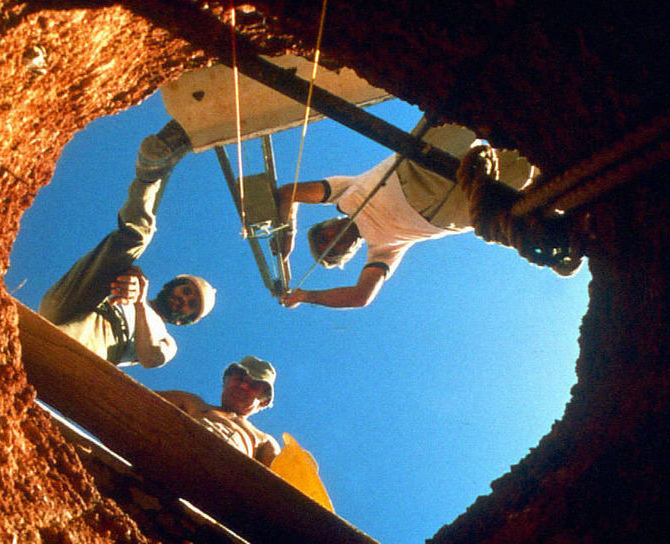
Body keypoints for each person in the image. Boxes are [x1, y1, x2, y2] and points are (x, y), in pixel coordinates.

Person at [274, 117, 537, 309]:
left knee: (459, 110)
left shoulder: (343, 195)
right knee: (530, 168)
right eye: (332, 251)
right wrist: (306, 296)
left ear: (327, 222)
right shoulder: (382, 251)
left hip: (416, 168)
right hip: (453, 211)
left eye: (323, 238)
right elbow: (360, 296)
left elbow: (288, 193)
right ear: (348, 254)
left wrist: (287, 236)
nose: (332, 241)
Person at [39, 120, 216, 368]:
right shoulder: (137, 285)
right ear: (173, 285)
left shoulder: (166, 338)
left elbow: (151, 358)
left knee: (50, 352)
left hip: (93, 336)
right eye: (186, 291)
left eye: (192, 305)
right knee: (136, 238)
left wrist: (139, 302)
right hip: (74, 301)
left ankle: (154, 169)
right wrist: (126, 280)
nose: (184, 300)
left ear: (183, 320)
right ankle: (154, 166)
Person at [158, 356, 280, 466]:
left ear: (263, 401)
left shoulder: (263, 439)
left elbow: (282, 479)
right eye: (240, 378)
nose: (243, 385)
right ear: (226, 381)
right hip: (179, 451)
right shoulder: (191, 402)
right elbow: (142, 399)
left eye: (254, 385)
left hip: (225, 472)